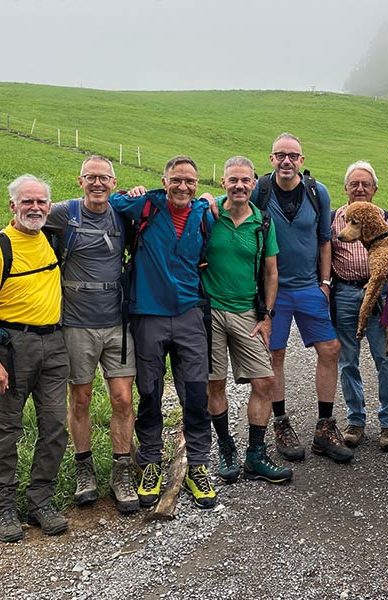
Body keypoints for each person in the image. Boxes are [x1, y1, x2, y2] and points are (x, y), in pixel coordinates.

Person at [111, 156, 216, 509]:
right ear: (164, 180)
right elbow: (109, 199)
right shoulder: (147, 205)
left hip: (189, 313)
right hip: (148, 315)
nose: (183, 187)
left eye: (190, 180)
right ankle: (151, 462)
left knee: (196, 393)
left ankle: (198, 466)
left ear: (197, 184)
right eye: (176, 180)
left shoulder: (204, 214)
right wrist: (130, 190)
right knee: (149, 392)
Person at [44, 156, 138, 514]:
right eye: (91, 177)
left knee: (123, 399)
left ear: (114, 182)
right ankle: (84, 468)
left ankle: (121, 470)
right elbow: (27, 215)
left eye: (104, 178)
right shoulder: (62, 213)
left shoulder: (122, 214)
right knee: (80, 398)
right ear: (80, 181)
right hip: (76, 323)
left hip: (118, 322)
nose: (98, 183)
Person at [255, 133, 353, 464]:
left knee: (330, 349)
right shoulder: (261, 190)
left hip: (310, 287)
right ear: (271, 159)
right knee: (276, 354)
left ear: (301, 159)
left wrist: (325, 283)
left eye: (292, 155)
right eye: (280, 155)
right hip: (274, 290)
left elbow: (324, 239)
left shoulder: (317, 192)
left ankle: (325, 428)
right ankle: (281, 424)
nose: (286, 161)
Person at [204, 156, 292, 485]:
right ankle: (226, 448)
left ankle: (255, 454)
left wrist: (267, 316)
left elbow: (271, 272)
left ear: (254, 184)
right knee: (215, 383)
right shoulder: (208, 212)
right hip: (209, 310)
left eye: (245, 181)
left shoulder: (262, 223)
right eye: (233, 180)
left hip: (246, 312)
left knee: (265, 382)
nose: (239, 186)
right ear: (223, 182)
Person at [0, 175, 69, 542]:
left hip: (55, 343)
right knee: (7, 429)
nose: (35, 208)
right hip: (12, 346)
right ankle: (3, 506)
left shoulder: (51, 237)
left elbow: (94, 196)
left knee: (56, 424)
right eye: (27, 202)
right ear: (13, 206)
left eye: (42, 202)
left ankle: (41, 500)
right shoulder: (2, 245)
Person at [330, 161, 388, 450]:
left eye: (365, 184)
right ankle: (355, 421)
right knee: (348, 360)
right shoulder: (335, 218)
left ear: (375, 189)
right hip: (346, 293)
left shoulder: (385, 218)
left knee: (385, 358)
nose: (359, 188)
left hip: (380, 294)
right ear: (346, 188)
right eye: (354, 184)